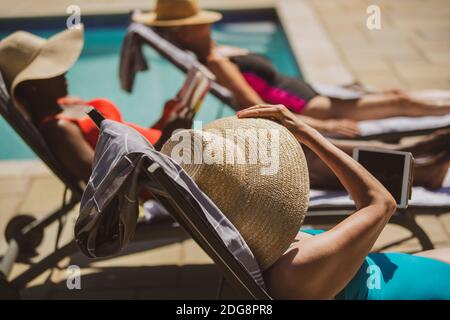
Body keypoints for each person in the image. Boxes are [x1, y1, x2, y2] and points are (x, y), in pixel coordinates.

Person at [161, 105, 450, 300]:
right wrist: (309, 134)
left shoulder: (248, 250)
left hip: (403, 270)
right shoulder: (294, 271)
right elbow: (381, 203)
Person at [135, 0, 450, 138]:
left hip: (315, 96)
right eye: (196, 22)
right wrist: (321, 126)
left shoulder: (218, 51)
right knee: (399, 100)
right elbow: (251, 104)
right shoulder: (216, 62)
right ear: (186, 32)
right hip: (316, 107)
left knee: (398, 98)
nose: (205, 24)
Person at [0, 26, 195, 183]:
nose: (63, 73)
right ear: (32, 86)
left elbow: (130, 144)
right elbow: (109, 179)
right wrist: (166, 141)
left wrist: (165, 123)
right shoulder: (59, 129)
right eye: (51, 70)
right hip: (162, 177)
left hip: (166, 160)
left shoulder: (67, 105)